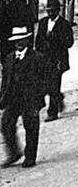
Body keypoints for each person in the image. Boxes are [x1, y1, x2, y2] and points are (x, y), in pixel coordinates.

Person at [0, 25, 47, 168]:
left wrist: (38, 100)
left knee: (31, 127)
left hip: (30, 99)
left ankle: (30, 157)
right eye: (16, 40)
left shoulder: (37, 58)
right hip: (13, 98)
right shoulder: (9, 58)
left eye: (22, 40)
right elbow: (5, 80)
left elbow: (45, 81)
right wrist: (2, 98)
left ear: (27, 40)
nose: (19, 43)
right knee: (6, 123)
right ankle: (14, 153)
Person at [34, 0, 73, 121]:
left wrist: (56, 39)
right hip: (45, 59)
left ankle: (53, 112)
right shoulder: (43, 22)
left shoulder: (64, 24)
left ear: (58, 10)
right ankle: (58, 98)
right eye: (48, 11)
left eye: (53, 11)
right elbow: (38, 40)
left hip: (58, 60)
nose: (50, 14)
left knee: (54, 84)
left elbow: (69, 42)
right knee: (46, 84)